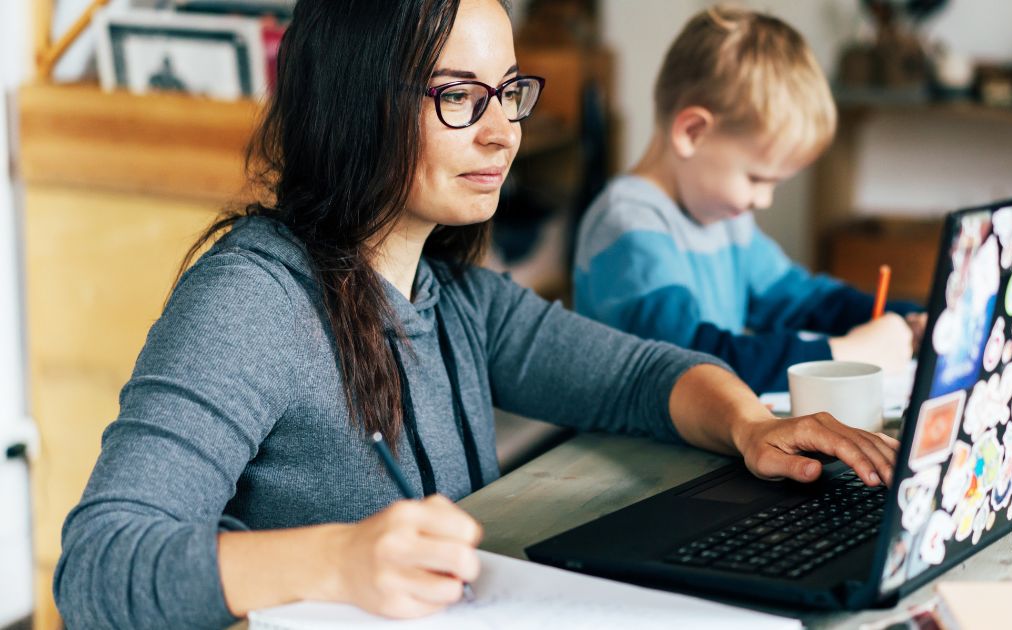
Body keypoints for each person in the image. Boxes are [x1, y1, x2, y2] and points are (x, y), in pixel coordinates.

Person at [53, 1, 900, 628]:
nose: (503, 134)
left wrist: (750, 426)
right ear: (357, 104)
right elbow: (97, 566)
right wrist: (336, 559)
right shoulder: (250, 301)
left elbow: (641, 375)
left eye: (508, 94)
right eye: (461, 95)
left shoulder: (453, 295)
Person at [572, 6, 926, 394]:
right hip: (624, 448)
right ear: (692, 132)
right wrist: (841, 353)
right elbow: (694, 361)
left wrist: (907, 318)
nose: (764, 200)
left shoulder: (723, 218)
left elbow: (802, 300)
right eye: (757, 178)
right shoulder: (628, 225)